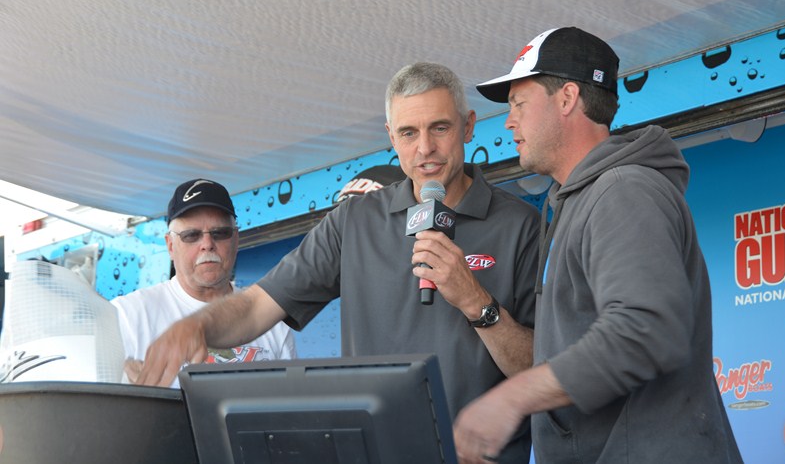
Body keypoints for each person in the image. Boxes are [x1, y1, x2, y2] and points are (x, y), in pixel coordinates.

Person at [136, 63, 540, 463]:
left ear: (468, 126)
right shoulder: (355, 220)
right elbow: (259, 304)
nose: (424, 148)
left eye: (439, 128)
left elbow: (542, 369)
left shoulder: (520, 224)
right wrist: (198, 325)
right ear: (391, 137)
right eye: (408, 132)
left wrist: (476, 303)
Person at [453, 27, 744, 463]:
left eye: (518, 104)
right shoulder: (579, 201)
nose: (509, 121)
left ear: (567, 98)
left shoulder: (624, 191)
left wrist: (513, 397)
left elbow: (644, 331)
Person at [111, 178, 296, 388]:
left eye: (220, 233)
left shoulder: (272, 321)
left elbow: (290, 401)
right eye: (191, 235)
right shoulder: (126, 315)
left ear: (236, 239)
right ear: (170, 246)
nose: (207, 244)